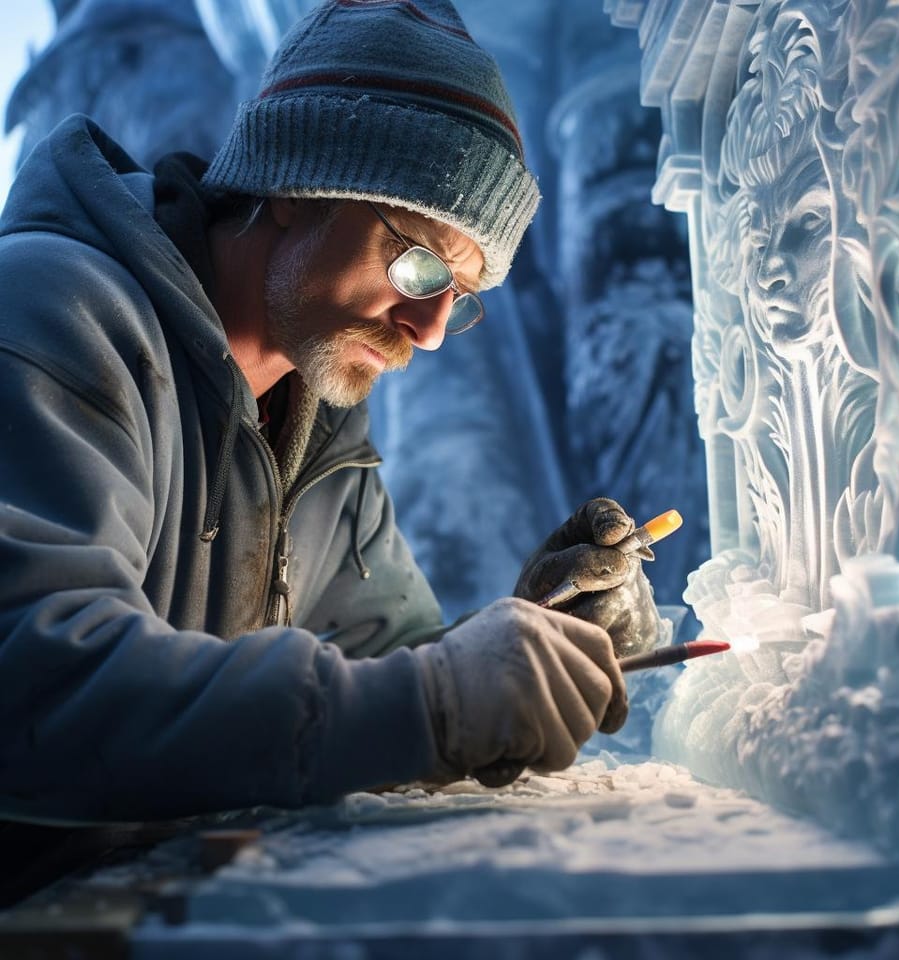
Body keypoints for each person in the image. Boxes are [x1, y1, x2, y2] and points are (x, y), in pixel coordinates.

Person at [0, 0, 658, 824]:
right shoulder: (52, 316)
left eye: (459, 299)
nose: (429, 332)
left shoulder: (317, 425)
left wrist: (541, 633)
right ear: (294, 189)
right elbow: (37, 684)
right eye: (419, 267)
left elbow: (389, 667)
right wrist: (433, 703)